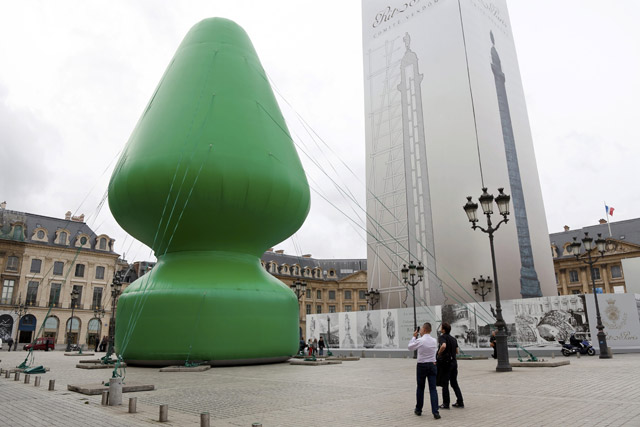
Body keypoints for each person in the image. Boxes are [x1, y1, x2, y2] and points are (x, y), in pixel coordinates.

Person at [408, 322, 440, 420]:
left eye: (421, 329)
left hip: (422, 365)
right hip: (432, 364)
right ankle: (435, 411)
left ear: (425, 330)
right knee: (433, 389)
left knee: (420, 388)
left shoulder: (420, 340)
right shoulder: (434, 340)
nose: (420, 331)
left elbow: (410, 347)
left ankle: (418, 409)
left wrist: (414, 337)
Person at [437, 322, 464, 409]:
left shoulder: (442, 337)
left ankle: (446, 403)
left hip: (446, 363)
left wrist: (439, 353)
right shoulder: (453, 339)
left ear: (443, 330)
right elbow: (457, 351)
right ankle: (460, 401)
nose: (441, 329)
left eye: (441, 328)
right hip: (454, 363)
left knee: (445, 383)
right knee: (454, 382)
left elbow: (443, 346)